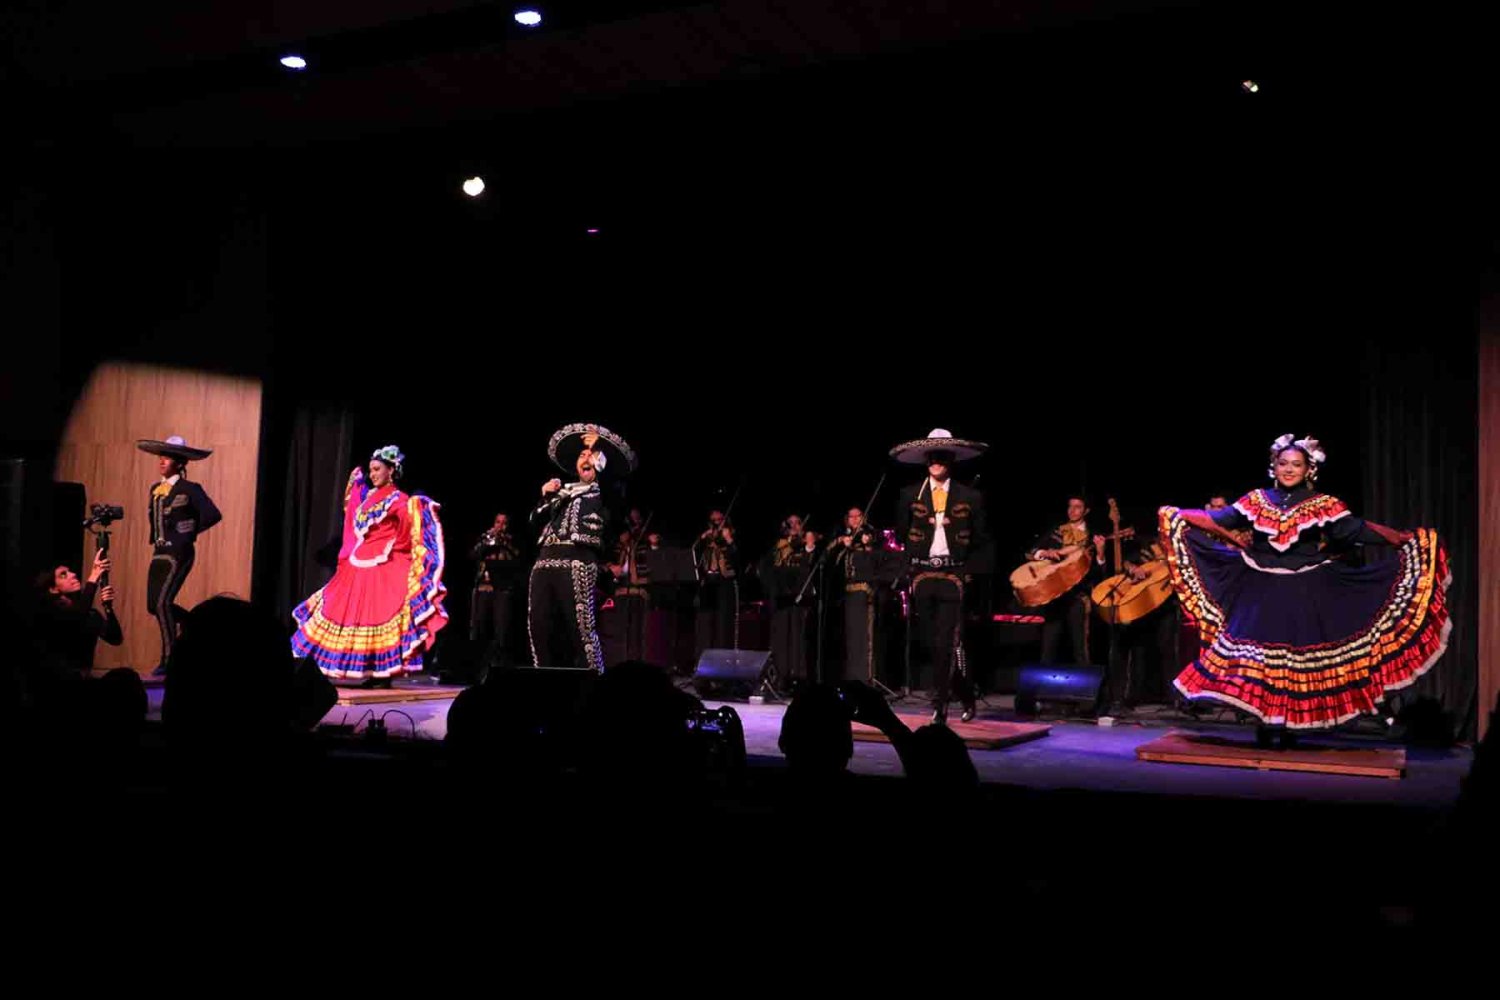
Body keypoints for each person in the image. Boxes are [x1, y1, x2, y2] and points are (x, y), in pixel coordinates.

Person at [1160, 433, 1451, 746]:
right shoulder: (1256, 500)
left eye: (1296, 464)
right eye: (1283, 463)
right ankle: (1268, 723)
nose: (1288, 469)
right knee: (1259, 659)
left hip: (1305, 589)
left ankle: (1286, 726)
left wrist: (1396, 537)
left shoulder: (1323, 504)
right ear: (1274, 465)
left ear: (1308, 469)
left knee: (1298, 659)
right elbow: (1220, 518)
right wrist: (1177, 514)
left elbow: (1355, 528)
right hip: (1261, 588)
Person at [290, 445, 448, 686]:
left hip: (384, 565)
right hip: (358, 564)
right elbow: (353, 523)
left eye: (377, 469)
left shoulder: (400, 500)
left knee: (381, 615)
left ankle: (382, 673)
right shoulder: (368, 499)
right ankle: (363, 670)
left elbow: (406, 534)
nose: (372, 474)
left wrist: (403, 557)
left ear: (391, 470)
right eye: (371, 470)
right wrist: (355, 487)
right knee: (344, 613)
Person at [892, 428, 989, 724]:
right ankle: (965, 692)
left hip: (953, 574)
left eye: (942, 456)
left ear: (952, 459)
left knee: (945, 640)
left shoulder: (970, 496)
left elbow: (982, 539)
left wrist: (970, 574)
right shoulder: (909, 494)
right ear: (925, 460)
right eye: (932, 456)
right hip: (922, 573)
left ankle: (940, 704)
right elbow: (900, 532)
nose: (937, 461)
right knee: (930, 643)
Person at [528, 423, 636, 671]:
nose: (586, 458)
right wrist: (545, 495)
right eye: (582, 455)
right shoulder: (561, 493)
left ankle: (595, 685)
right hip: (544, 563)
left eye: (591, 455)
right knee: (539, 627)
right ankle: (544, 681)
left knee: (582, 629)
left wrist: (600, 447)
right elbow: (533, 522)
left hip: (578, 563)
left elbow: (614, 494)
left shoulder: (606, 492)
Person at [136, 434, 221, 674]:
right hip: (159, 551)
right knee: (154, 605)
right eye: (161, 456)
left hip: (179, 551)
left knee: (163, 603)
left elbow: (212, 514)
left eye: (169, 457)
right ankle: (195, 624)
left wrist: (189, 531)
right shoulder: (156, 489)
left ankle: (169, 659)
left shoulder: (190, 488)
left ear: (180, 463)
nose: (162, 461)